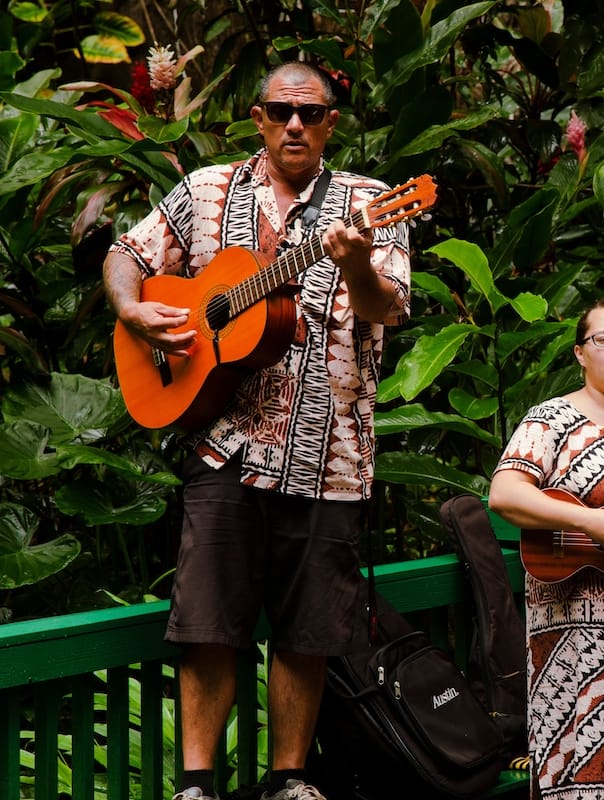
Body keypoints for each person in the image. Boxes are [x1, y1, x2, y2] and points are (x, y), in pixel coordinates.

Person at [103, 61, 411, 800]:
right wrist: (133, 310)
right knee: (207, 622)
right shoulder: (208, 189)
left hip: (328, 455)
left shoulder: (369, 203)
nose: (295, 125)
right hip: (222, 446)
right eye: (281, 111)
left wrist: (359, 262)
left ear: (332, 123)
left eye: (311, 113)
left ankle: (289, 781)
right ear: (259, 117)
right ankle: (197, 786)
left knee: (307, 633)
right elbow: (128, 254)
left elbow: (388, 309)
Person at [488, 298, 604, 800]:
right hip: (571, 636)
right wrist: (588, 520)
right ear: (581, 354)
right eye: (603, 339)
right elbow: (505, 494)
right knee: (577, 768)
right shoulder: (551, 418)